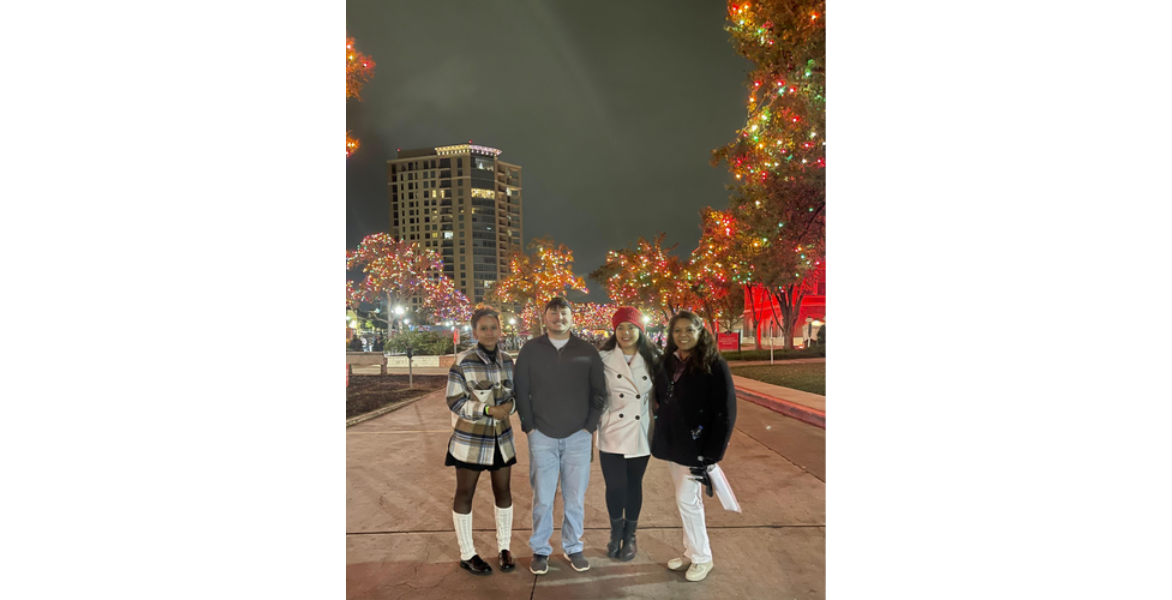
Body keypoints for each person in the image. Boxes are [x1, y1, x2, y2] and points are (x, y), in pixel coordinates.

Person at [515, 297, 607, 575]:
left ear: (571, 317)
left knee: (575, 497)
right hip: (541, 434)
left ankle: (573, 546)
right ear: (545, 318)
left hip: (578, 436)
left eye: (564, 312)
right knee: (543, 497)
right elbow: (521, 390)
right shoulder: (531, 350)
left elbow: (599, 392)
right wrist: (529, 426)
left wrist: (589, 427)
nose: (559, 317)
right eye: (553, 312)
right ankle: (540, 549)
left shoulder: (587, 350)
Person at [652, 310, 737, 582]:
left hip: (697, 444)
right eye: (677, 330)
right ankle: (690, 552)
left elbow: (725, 412)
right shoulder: (668, 361)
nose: (683, 335)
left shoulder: (714, 364)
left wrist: (712, 451)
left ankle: (702, 557)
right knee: (687, 499)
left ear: (701, 333)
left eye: (689, 329)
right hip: (674, 442)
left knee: (687, 500)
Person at [444, 307, 518, 576]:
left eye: (493, 327)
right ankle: (467, 553)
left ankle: (505, 548)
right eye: (483, 328)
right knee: (465, 494)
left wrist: (509, 407)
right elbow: (454, 400)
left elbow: (515, 397)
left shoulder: (508, 361)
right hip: (471, 440)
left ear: (500, 330)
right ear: (474, 332)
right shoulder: (463, 361)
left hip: (502, 439)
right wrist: (486, 410)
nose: (489, 332)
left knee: (504, 493)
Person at [597, 307, 661, 561]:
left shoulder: (654, 359)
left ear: (640, 330)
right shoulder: (601, 358)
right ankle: (615, 534)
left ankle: (630, 536)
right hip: (612, 428)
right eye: (621, 327)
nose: (626, 332)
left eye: (631, 327)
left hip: (640, 430)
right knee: (615, 486)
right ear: (614, 330)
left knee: (634, 485)